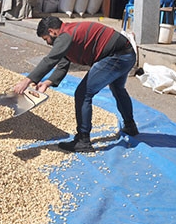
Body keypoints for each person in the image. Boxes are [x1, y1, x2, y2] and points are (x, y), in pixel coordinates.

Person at [12, 16, 139, 153]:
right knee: (117, 88)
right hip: (127, 54)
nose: (48, 43)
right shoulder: (70, 33)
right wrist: (48, 82)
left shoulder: (65, 35)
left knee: (83, 94)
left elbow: (50, 59)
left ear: (52, 31)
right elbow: (63, 62)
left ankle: (83, 141)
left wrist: (27, 81)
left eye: (46, 38)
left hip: (116, 56)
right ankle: (130, 125)